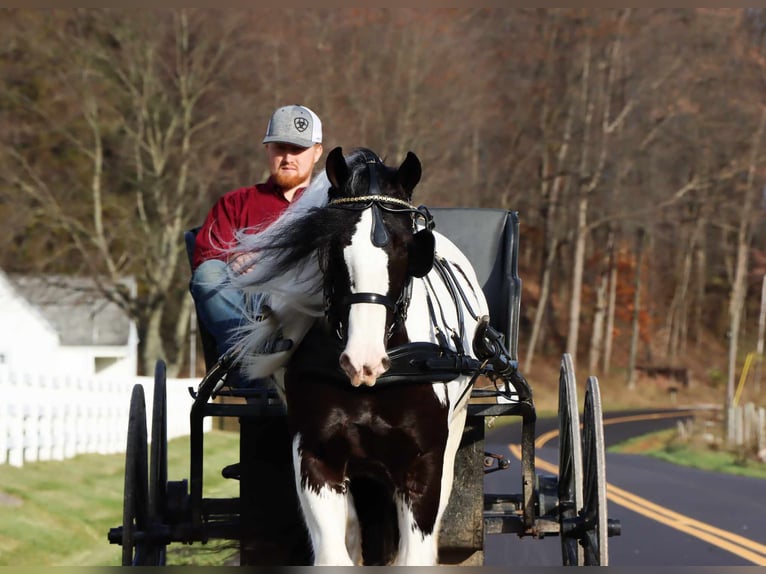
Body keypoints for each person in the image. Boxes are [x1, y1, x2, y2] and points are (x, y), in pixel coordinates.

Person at [190, 105, 324, 387]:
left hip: (310, 310)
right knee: (208, 275)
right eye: (279, 148)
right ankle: (251, 358)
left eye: (297, 149)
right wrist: (231, 260)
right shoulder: (236, 203)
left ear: (317, 152)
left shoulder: (329, 204)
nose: (287, 158)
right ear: (268, 151)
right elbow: (207, 255)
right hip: (249, 305)